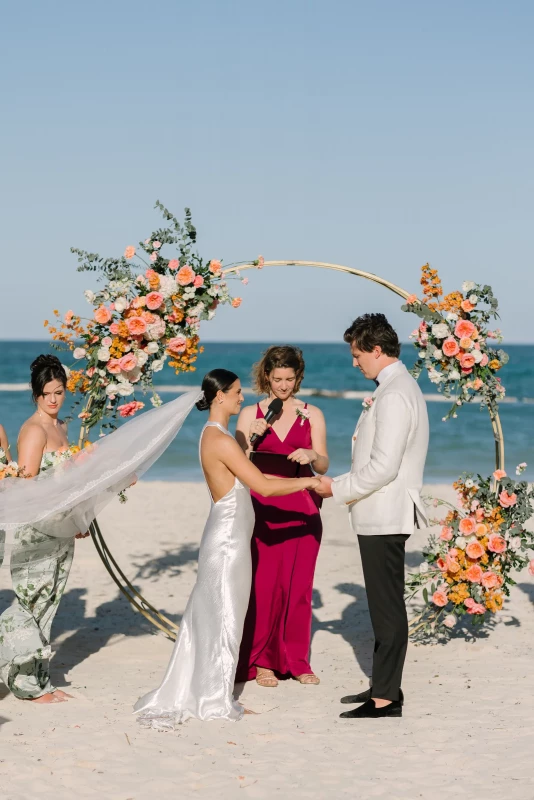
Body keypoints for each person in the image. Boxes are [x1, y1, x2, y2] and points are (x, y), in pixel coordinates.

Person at [134, 369, 321, 728]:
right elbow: (263, 487)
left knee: (217, 615)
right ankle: (215, 698)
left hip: (228, 536)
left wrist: (250, 446)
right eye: (236, 393)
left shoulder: (218, 436)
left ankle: (210, 690)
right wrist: (310, 482)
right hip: (228, 542)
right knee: (225, 617)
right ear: (219, 396)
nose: (241, 398)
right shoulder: (218, 439)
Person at [316, 314, 429, 719]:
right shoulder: (393, 387)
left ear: (376, 350)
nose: (354, 362)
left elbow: (384, 467)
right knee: (383, 604)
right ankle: (382, 687)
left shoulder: (396, 393)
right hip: (379, 512)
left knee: (386, 607)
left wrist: (336, 487)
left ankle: (386, 698)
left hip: (385, 512)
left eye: (357, 354)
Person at [235, 346, 328, 688]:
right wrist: (251, 438)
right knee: (264, 585)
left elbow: (324, 465)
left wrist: (312, 454)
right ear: (266, 378)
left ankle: (297, 661)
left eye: (290, 379)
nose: (284, 386)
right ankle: (262, 661)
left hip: (303, 506)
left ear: (298, 378)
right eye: (277, 379)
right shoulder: (250, 414)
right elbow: (238, 462)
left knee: (299, 588)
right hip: (263, 507)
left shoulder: (312, 414)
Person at [0, 355, 88, 704]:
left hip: (61, 529)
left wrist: (78, 515)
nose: (53, 399)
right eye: (46, 393)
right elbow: (28, 487)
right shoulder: (34, 430)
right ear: (35, 394)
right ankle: (28, 684)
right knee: (29, 602)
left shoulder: (62, 427)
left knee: (48, 605)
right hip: (36, 530)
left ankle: (33, 681)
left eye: (59, 392)